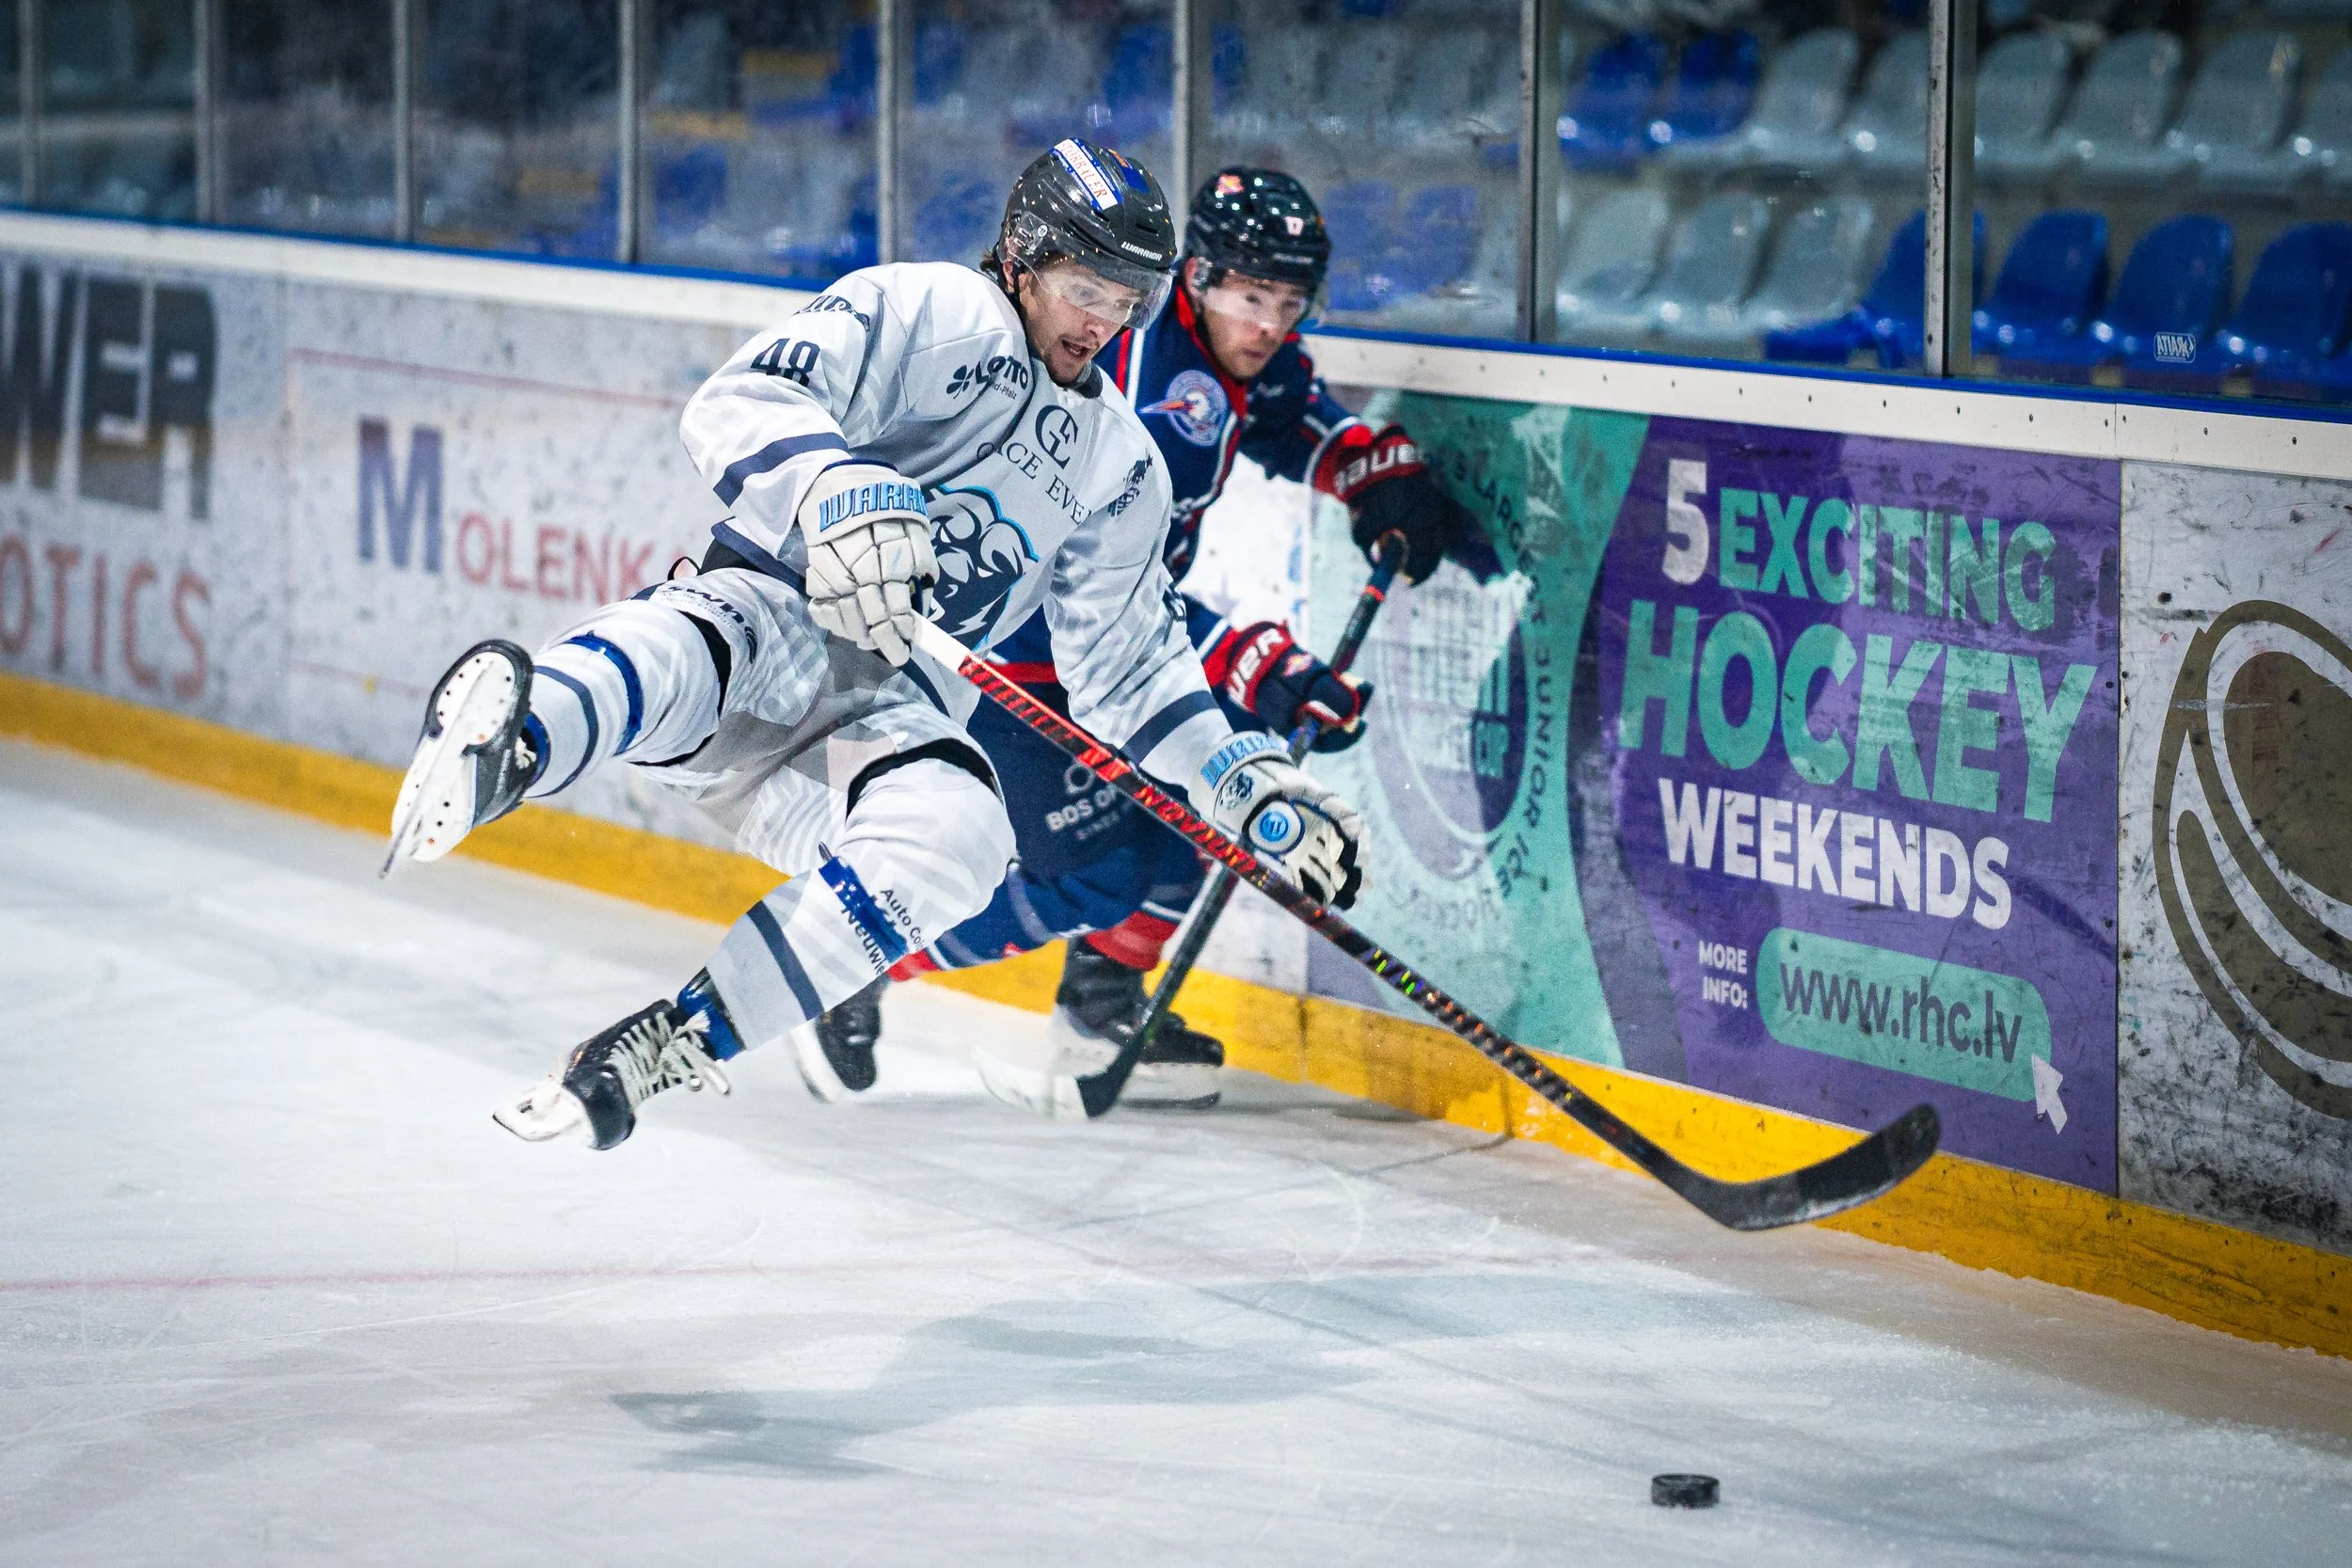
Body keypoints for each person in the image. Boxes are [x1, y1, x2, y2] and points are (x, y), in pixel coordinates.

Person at [381, 141, 1366, 1150]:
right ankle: (518, 736)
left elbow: (1128, 665)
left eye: (1129, 300)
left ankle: (678, 1037)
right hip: (773, 619)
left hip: (869, 730)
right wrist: (837, 488)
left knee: (966, 830)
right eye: (1086, 288)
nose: (1105, 321)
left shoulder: (1120, 461)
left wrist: (1240, 778)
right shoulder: (935, 311)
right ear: (1021, 256)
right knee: (698, 644)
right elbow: (739, 399)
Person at [794, 167, 1468, 1111]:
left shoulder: (1234, 351)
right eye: (1247, 296)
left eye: (1286, 301)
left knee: (1210, 796)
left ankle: (1101, 1006)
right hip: (1008, 643)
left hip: (1103, 641)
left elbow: (1286, 415)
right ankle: (853, 955)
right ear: (1195, 278)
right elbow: (1083, 579)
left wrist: (1369, 468)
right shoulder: (1147, 397)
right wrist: (1247, 659)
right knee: (1104, 870)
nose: (1268, 322)